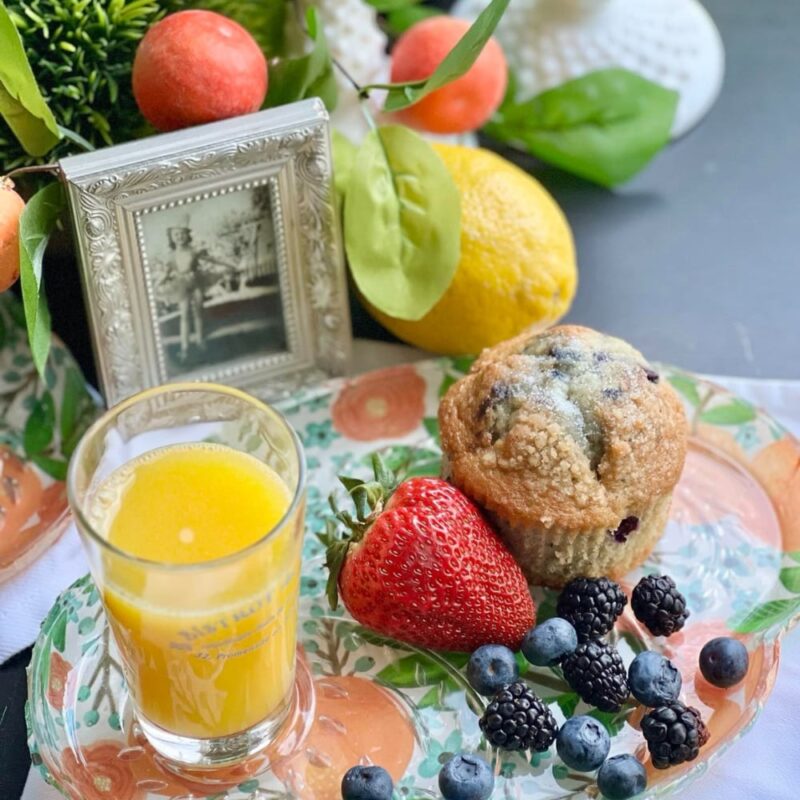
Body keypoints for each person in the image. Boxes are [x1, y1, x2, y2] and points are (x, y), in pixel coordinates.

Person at [159, 216, 233, 364]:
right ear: (172, 238)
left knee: (198, 312)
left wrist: (228, 265)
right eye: (176, 235)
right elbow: (166, 273)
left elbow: (211, 259)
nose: (179, 237)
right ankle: (185, 347)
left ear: (187, 235)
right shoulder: (171, 256)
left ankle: (200, 341)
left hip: (196, 282)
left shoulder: (194, 251)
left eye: (182, 234)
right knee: (184, 315)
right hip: (181, 286)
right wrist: (157, 284)